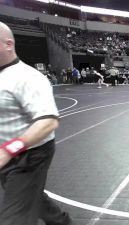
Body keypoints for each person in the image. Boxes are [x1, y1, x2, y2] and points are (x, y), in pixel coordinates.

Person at [0, 22, 72, 225]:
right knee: (33, 198)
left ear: (8, 44)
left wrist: (8, 150)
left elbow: (48, 122)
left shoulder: (27, 77)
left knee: (14, 217)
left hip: (30, 155)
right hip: (7, 154)